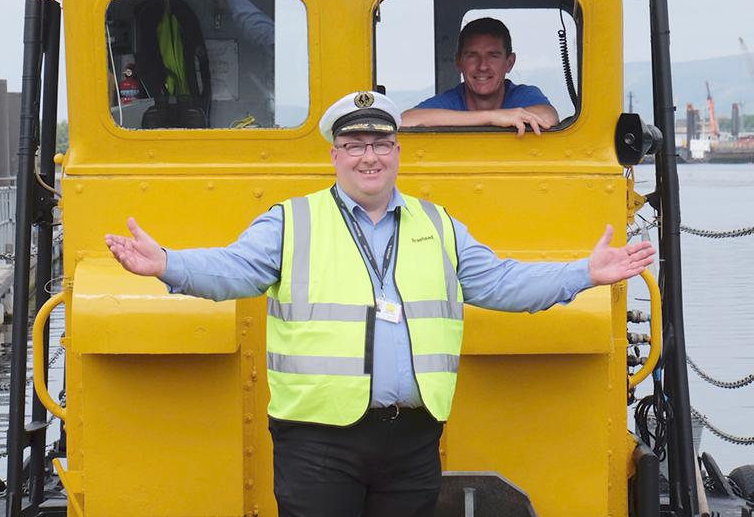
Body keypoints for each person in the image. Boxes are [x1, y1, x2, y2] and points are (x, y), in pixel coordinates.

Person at [105, 90, 655, 517]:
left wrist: (585, 273)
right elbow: (233, 270)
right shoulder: (293, 221)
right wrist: (169, 266)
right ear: (335, 155)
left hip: (411, 438)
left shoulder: (438, 225)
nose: (368, 157)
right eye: (354, 146)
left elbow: (503, 283)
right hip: (318, 442)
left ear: (396, 150)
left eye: (380, 144)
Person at [402, 17, 559, 135]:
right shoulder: (452, 100)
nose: (482, 66)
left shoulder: (522, 95)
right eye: (472, 55)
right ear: (458, 62)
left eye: (493, 56)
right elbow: (406, 121)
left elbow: (548, 117)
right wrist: (492, 118)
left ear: (509, 63)